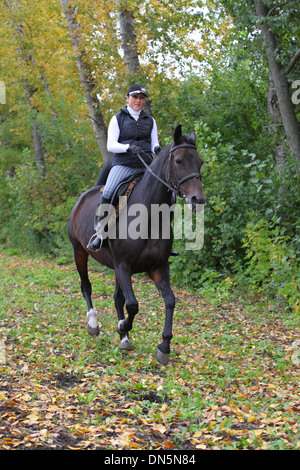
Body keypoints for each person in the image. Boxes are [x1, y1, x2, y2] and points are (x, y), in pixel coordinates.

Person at [87, 84, 161, 251]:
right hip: (124, 164)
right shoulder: (118, 118)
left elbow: (154, 143)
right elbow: (111, 145)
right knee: (108, 191)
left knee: (166, 194)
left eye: (142, 98)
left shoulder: (150, 120)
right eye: (135, 97)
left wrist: (157, 150)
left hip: (146, 165)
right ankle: (100, 234)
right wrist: (127, 148)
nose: (138, 101)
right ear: (127, 98)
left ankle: (163, 239)